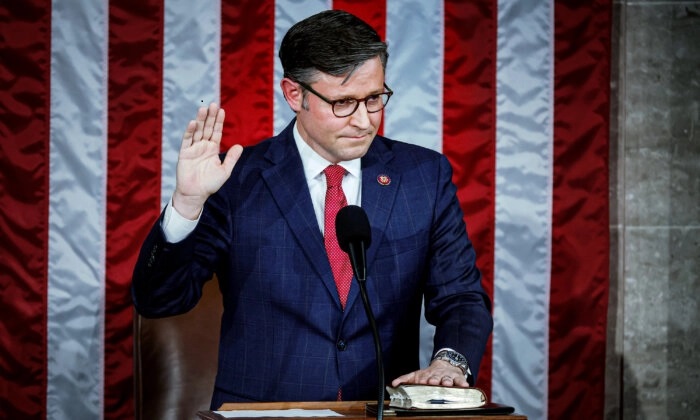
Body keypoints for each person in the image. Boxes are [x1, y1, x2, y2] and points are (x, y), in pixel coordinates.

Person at [132, 9, 492, 409]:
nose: (363, 120)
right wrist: (187, 203)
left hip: (379, 411)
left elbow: (460, 297)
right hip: (265, 413)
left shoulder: (423, 176)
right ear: (294, 94)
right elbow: (159, 301)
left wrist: (450, 361)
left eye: (374, 98)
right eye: (343, 102)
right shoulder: (235, 179)